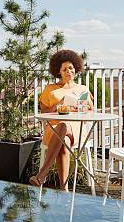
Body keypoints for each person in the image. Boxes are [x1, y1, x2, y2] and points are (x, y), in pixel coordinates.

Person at [29, 49, 93, 190]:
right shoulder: (50, 89)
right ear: (59, 72)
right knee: (63, 137)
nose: (68, 71)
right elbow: (43, 111)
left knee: (64, 126)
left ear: (75, 69)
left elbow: (90, 111)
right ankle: (64, 190)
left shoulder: (83, 89)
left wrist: (80, 107)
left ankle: (41, 176)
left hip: (77, 129)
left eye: (71, 68)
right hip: (53, 129)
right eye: (64, 69)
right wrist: (58, 105)